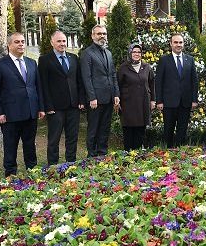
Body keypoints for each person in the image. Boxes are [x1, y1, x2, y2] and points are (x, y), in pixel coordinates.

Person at [0, 32, 44, 177]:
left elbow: (38, 87)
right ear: (9, 45)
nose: (21, 44)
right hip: (10, 115)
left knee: (30, 145)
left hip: (30, 112)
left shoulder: (31, 63)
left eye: (22, 41)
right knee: (10, 147)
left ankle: (32, 173)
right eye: (17, 42)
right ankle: (10, 176)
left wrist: (41, 107)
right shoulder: (0, 64)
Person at [38, 30, 85, 165]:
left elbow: (79, 81)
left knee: (72, 137)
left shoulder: (73, 58)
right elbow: (43, 85)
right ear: (52, 42)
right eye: (59, 41)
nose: (62, 43)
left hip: (73, 106)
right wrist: (47, 106)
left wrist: (81, 100)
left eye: (64, 41)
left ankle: (71, 164)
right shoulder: (45, 60)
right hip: (55, 108)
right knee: (54, 139)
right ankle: (53, 166)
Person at [80, 24, 119, 157]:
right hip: (95, 100)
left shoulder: (108, 53)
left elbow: (112, 74)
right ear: (92, 36)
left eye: (104, 33)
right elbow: (86, 77)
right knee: (93, 129)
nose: (102, 36)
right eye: (99, 34)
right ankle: (91, 156)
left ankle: (102, 154)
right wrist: (92, 97)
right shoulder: (87, 53)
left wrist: (116, 94)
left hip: (108, 98)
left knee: (105, 128)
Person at [155, 33, 199, 147]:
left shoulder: (190, 59)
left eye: (180, 42)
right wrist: (159, 101)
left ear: (183, 44)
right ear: (171, 44)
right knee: (168, 130)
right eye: (175, 42)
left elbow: (194, 81)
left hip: (185, 102)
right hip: (169, 102)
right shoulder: (164, 60)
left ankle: (180, 153)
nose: (178, 45)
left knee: (182, 130)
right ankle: (167, 152)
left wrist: (194, 100)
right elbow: (159, 82)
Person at [116, 43, 155, 150]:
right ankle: (127, 154)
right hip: (128, 105)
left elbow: (152, 84)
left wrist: (153, 100)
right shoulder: (123, 68)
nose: (137, 54)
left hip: (143, 104)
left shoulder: (147, 67)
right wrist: (117, 99)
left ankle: (137, 154)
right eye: (134, 52)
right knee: (128, 133)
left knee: (140, 132)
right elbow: (117, 85)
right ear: (130, 53)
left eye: (139, 52)